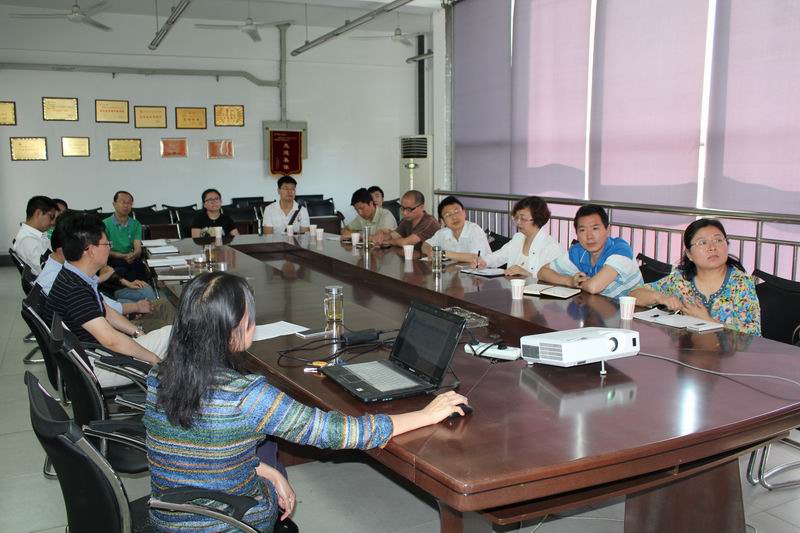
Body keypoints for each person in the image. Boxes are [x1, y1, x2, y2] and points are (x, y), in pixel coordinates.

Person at [144, 271, 469, 532]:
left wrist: (264, 470)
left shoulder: (159, 376)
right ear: (235, 329)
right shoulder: (247, 395)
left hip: (169, 517)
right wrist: (427, 414)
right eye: (251, 318)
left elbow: (197, 453)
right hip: (228, 521)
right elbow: (337, 433)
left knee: (268, 459)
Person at [46, 213, 172, 386]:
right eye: (107, 244)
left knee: (170, 334)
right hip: (94, 367)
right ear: (91, 251)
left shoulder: (75, 276)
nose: (109, 249)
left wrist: (137, 333)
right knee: (173, 335)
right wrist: (155, 360)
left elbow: (106, 312)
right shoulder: (74, 289)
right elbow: (111, 340)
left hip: (95, 355)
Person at [629, 219, 761, 335]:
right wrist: (660, 297)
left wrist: (708, 321)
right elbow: (633, 295)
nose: (712, 247)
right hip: (687, 351)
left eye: (718, 240)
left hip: (728, 355)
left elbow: (754, 332)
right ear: (689, 254)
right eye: (703, 242)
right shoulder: (681, 280)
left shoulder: (741, 283)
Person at [36, 212, 151, 317]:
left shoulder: (69, 269)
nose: (109, 249)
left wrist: (128, 284)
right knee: (146, 297)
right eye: (105, 244)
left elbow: (101, 303)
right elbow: (100, 310)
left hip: (105, 301)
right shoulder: (66, 281)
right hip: (106, 300)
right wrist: (135, 309)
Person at [538, 204, 643, 297]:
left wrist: (579, 282)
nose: (589, 236)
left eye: (595, 228)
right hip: (600, 307)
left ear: (607, 230)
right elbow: (542, 272)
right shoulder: (578, 251)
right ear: (577, 234)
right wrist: (569, 281)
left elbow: (593, 287)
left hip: (634, 310)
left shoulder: (620, 249)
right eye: (582, 230)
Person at [473, 197, 561, 278]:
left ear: (538, 219)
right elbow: (500, 255)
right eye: (516, 217)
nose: (518, 222)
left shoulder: (551, 246)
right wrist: (484, 261)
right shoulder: (518, 237)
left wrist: (526, 273)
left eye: (523, 219)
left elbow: (552, 278)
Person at [422, 196, 491, 263]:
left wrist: (443, 253)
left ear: (464, 213)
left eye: (457, 211)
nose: (454, 217)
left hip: (483, 270)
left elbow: (477, 257)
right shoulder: (442, 233)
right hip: (457, 269)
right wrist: (430, 252)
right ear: (443, 221)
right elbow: (425, 245)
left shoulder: (474, 229)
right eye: (448, 215)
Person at [104, 191, 151, 284]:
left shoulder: (136, 224)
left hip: (131, 258)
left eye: (129, 203)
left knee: (140, 270)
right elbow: (104, 251)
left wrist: (133, 255)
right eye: (123, 202)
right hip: (113, 260)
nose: (126, 205)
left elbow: (138, 249)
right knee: (125, 271)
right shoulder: (105, 224)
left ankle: (144, 289)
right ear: (114, 204)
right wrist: (123, 256)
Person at [373, 190, 439, 248]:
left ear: (421, 207)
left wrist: (389, 242)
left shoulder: (429, 221)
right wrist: (381, 234)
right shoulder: (407, 220)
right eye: (403, 208)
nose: (404, 213)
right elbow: (393, 235)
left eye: (409, 209)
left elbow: (405, 243)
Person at [12, 195, 57, 274]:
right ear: (38, 213)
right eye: (51, 217)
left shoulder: (35, 235)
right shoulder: (28, 240)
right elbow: (48, 270)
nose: (53, 222)